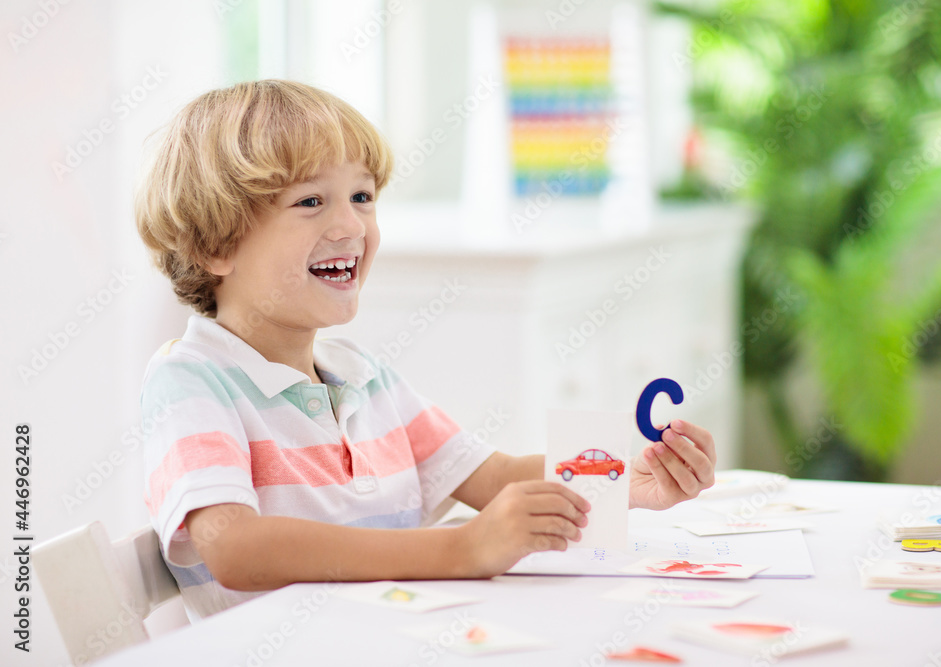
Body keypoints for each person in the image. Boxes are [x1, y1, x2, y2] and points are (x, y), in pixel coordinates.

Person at [135, 80, 716, 619]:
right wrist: (459, 548)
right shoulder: (190, 383)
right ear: (215, 244)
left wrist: (626, 479)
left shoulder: (365, 378)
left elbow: (497, 477)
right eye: (311, 202)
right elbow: (234, 547)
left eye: (362, 196)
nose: (351, 225)